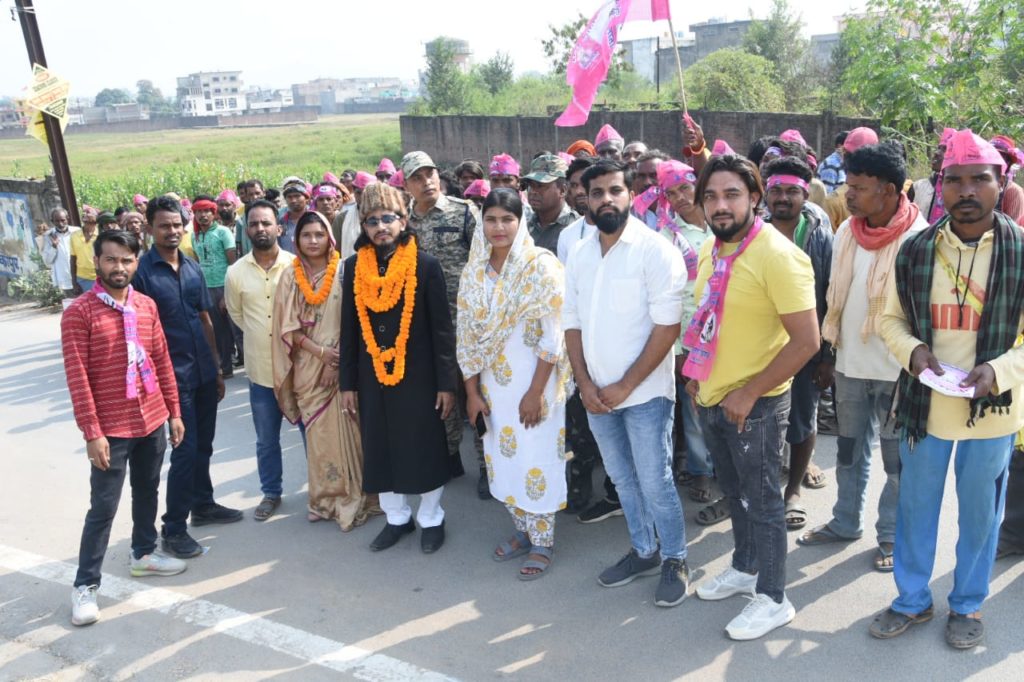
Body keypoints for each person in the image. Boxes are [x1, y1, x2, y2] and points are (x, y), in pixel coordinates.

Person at [870, 130, 1024, 649]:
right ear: (941, 185)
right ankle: (912, 599)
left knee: (981, 514)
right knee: (916, 506)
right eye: (954, 180)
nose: (966, 190)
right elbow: (890, 319)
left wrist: (998, 370)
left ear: (1001, 183)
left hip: (993, 408)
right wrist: (913, 353)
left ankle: (967, 602)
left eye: (980, 179)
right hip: (926, 405)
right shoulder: (917, 249)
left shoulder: (1021, 252)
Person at [686, 154, 819, 640]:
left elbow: (807, 342)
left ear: (755, 198)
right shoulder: (711, 248)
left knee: (763, 502)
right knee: (735, 493)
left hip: (755, 405)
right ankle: (744, 567)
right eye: (711, 197)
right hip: (713, 396)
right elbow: (709, 316)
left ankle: (774, 597)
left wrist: (749, 392)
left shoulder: (778, 255)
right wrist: (697, 373)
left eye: (732, 194)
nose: (720, 205)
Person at [564, 159, 690, 608]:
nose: (606, 200)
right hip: (596, 394)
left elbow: (667, 327)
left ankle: (675, 557)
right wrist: (584, 382)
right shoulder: (580, 254)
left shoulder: (655, 251)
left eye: (614, 190)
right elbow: (572, 322)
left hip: (646, 395)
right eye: (596, 192)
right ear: (585, 199)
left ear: (630, 195)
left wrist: (625, 386)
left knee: (655, 481)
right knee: (621, 478)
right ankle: (644, 550)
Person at [798, 143, 928, 572]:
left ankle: (890, 535)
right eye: (847, 185)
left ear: (888, 190)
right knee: (850, 452)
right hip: (850, 365)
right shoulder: (846, 232)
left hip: (899, 371)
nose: (847, 194)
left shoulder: (919, 238)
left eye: (858, 187)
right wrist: (827, 355)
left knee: (896, 462)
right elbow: (833, 298)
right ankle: (845, 522)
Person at [62, 229, 187, 627]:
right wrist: (92, 432)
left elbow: (162, 360)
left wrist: (174, 411)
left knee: (147, 490)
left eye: (127, 260)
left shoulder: (146, 305)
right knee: (103, 507)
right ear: (96, 262)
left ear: (136, 261)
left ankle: (143, 554)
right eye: (111, 259)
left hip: (151, 418)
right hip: (110, 428)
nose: (119, 267)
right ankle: (85, 585)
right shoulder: (79, 313)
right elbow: (78, 377)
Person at [339, 183, 459, 554]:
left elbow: (442, 331)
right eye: (372, 220)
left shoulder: (425, 265)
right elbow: (349, 330)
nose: (381, 227)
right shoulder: (353, 267)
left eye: (387, 218)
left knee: (422, 447)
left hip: (419, 377)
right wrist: (347, 384)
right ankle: (396, 519)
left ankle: (431, 519)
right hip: (372, 377)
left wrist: (446, 384)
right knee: (381, 449)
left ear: (403, 221)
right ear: (363, 225)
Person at [458, 189, 570, 579]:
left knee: (535, 457)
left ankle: (543, 541)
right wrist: (472, 393)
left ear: (521, 223)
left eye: (507, 219)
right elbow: (466, 338)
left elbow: (553, 336)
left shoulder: (540, 266)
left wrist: (535, 392)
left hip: (535, 383)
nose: (499, 227)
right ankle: (522, 531)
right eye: (491, 219)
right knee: (502, 457)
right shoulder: (474, 272)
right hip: (493, 388)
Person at [133, 195, 242, 558]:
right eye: (164, 226)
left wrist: (217, 368)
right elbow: (137, 336)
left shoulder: (192, 267)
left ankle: (203, 505)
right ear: (150, 229)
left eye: (177, 225)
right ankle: (174, 528)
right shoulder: (142, 274)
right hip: (171, 378)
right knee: (185, 451)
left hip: (203, 372)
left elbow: (205, 319)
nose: (172, 231)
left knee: (204, 445)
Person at [272, 211, 379, 530]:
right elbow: (286, 328)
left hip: (345, 362)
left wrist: (339, 364)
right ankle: (322, 499)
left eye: (319, 234)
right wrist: (321, 354)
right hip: (308, 368)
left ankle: (362, 494)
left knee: (353, 432)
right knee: (319, 437)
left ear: (329, 237)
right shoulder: (290, 276)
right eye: (307, 235)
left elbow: (358, 319)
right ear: (296, 240)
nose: (313, 240)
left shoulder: (345, 270)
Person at [402, 151, 487, 498]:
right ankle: (450, 456)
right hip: (425, 326)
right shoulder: (403, 222)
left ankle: (486, 464)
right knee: (441, 394)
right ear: (406, 185)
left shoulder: (464, 212)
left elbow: (484, 263)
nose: (427, 182)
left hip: (466, 321)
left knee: (477, 393)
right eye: (417, 177)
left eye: (430, 174)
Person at [761, 157, 835, 532]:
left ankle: (792, 491)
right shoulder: (753, 232)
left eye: (792, 191)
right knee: (758, 422)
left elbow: (832, 296)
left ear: (805, 195)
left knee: (803, 418)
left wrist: (827, 356)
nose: (783, 198)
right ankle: (757, 492)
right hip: (760, 347)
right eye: (776, 190)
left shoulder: (820, 234)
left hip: (806, 346)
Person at [646, 161, 715, 505]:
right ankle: (701, 470)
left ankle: (727, 468)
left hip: (727, 328)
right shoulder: (666, 236)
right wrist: (674, 348)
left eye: (685, 188)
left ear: (697, 185)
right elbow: (665, 296)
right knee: (695, 405)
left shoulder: (722, 222)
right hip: (688, 336)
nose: (680, 198)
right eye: (671, 193)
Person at [225, 199, 295, 521]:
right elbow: (237, 315)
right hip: (261, 373)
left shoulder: (296, 266)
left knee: (312, 435)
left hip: (297, 370)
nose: (260, 228)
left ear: (279, 228)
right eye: (253, 224)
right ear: (247, 231)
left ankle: (322, 491)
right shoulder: (235, 273)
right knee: (267, 440)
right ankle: (271, 493)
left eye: (266, 223)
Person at [555, 156, 610, 516]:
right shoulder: (568, 236)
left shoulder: (626, 230)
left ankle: (617, 494)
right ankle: (579, 487)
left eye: (585, 186)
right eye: (575, 185)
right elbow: (566, 296)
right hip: (579, 342)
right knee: (579, 423)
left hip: (615, 344)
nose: (579, 192)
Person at [191, 195, 238, 378]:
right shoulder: (195, 236)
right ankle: (225, 367)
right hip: (207, 287)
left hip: (224, 285)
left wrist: (227, 293)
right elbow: (198, 262)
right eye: (198, 212)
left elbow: (232, 264)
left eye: (206, 211)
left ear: (213, 213)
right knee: (218, 330)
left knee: (236, 328)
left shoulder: (223, 232)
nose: (202, 215)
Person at [523, 154, 579, 254]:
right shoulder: (524, 227)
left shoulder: (576, 227)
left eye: (540, 186)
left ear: (562, 190)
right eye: (531, 185)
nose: (533, 192)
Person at [42, 207, 77, 297]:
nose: (60, 224)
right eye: (57, 221)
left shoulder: (77, 232)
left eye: (63, 220)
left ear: (67, 219)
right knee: (72, 304)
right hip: (65, 280)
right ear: (52, 221)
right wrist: (54, 247)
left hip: (81, 277)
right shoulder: (48, 236)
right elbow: (47, 261)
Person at [70, 207, 100, 294]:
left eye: (93, 222)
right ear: (83, 220)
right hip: (82, 278)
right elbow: (73, 259)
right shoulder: (74, 236)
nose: (90, 225)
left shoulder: (100, 235)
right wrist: (74, 282)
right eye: (87, 222)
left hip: (98, 276)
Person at [279, 178, 310, 252]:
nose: (293, 200)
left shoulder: (316, 219)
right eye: (289, 197)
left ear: (306, 198)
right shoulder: (281, 222)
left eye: (297, 196)